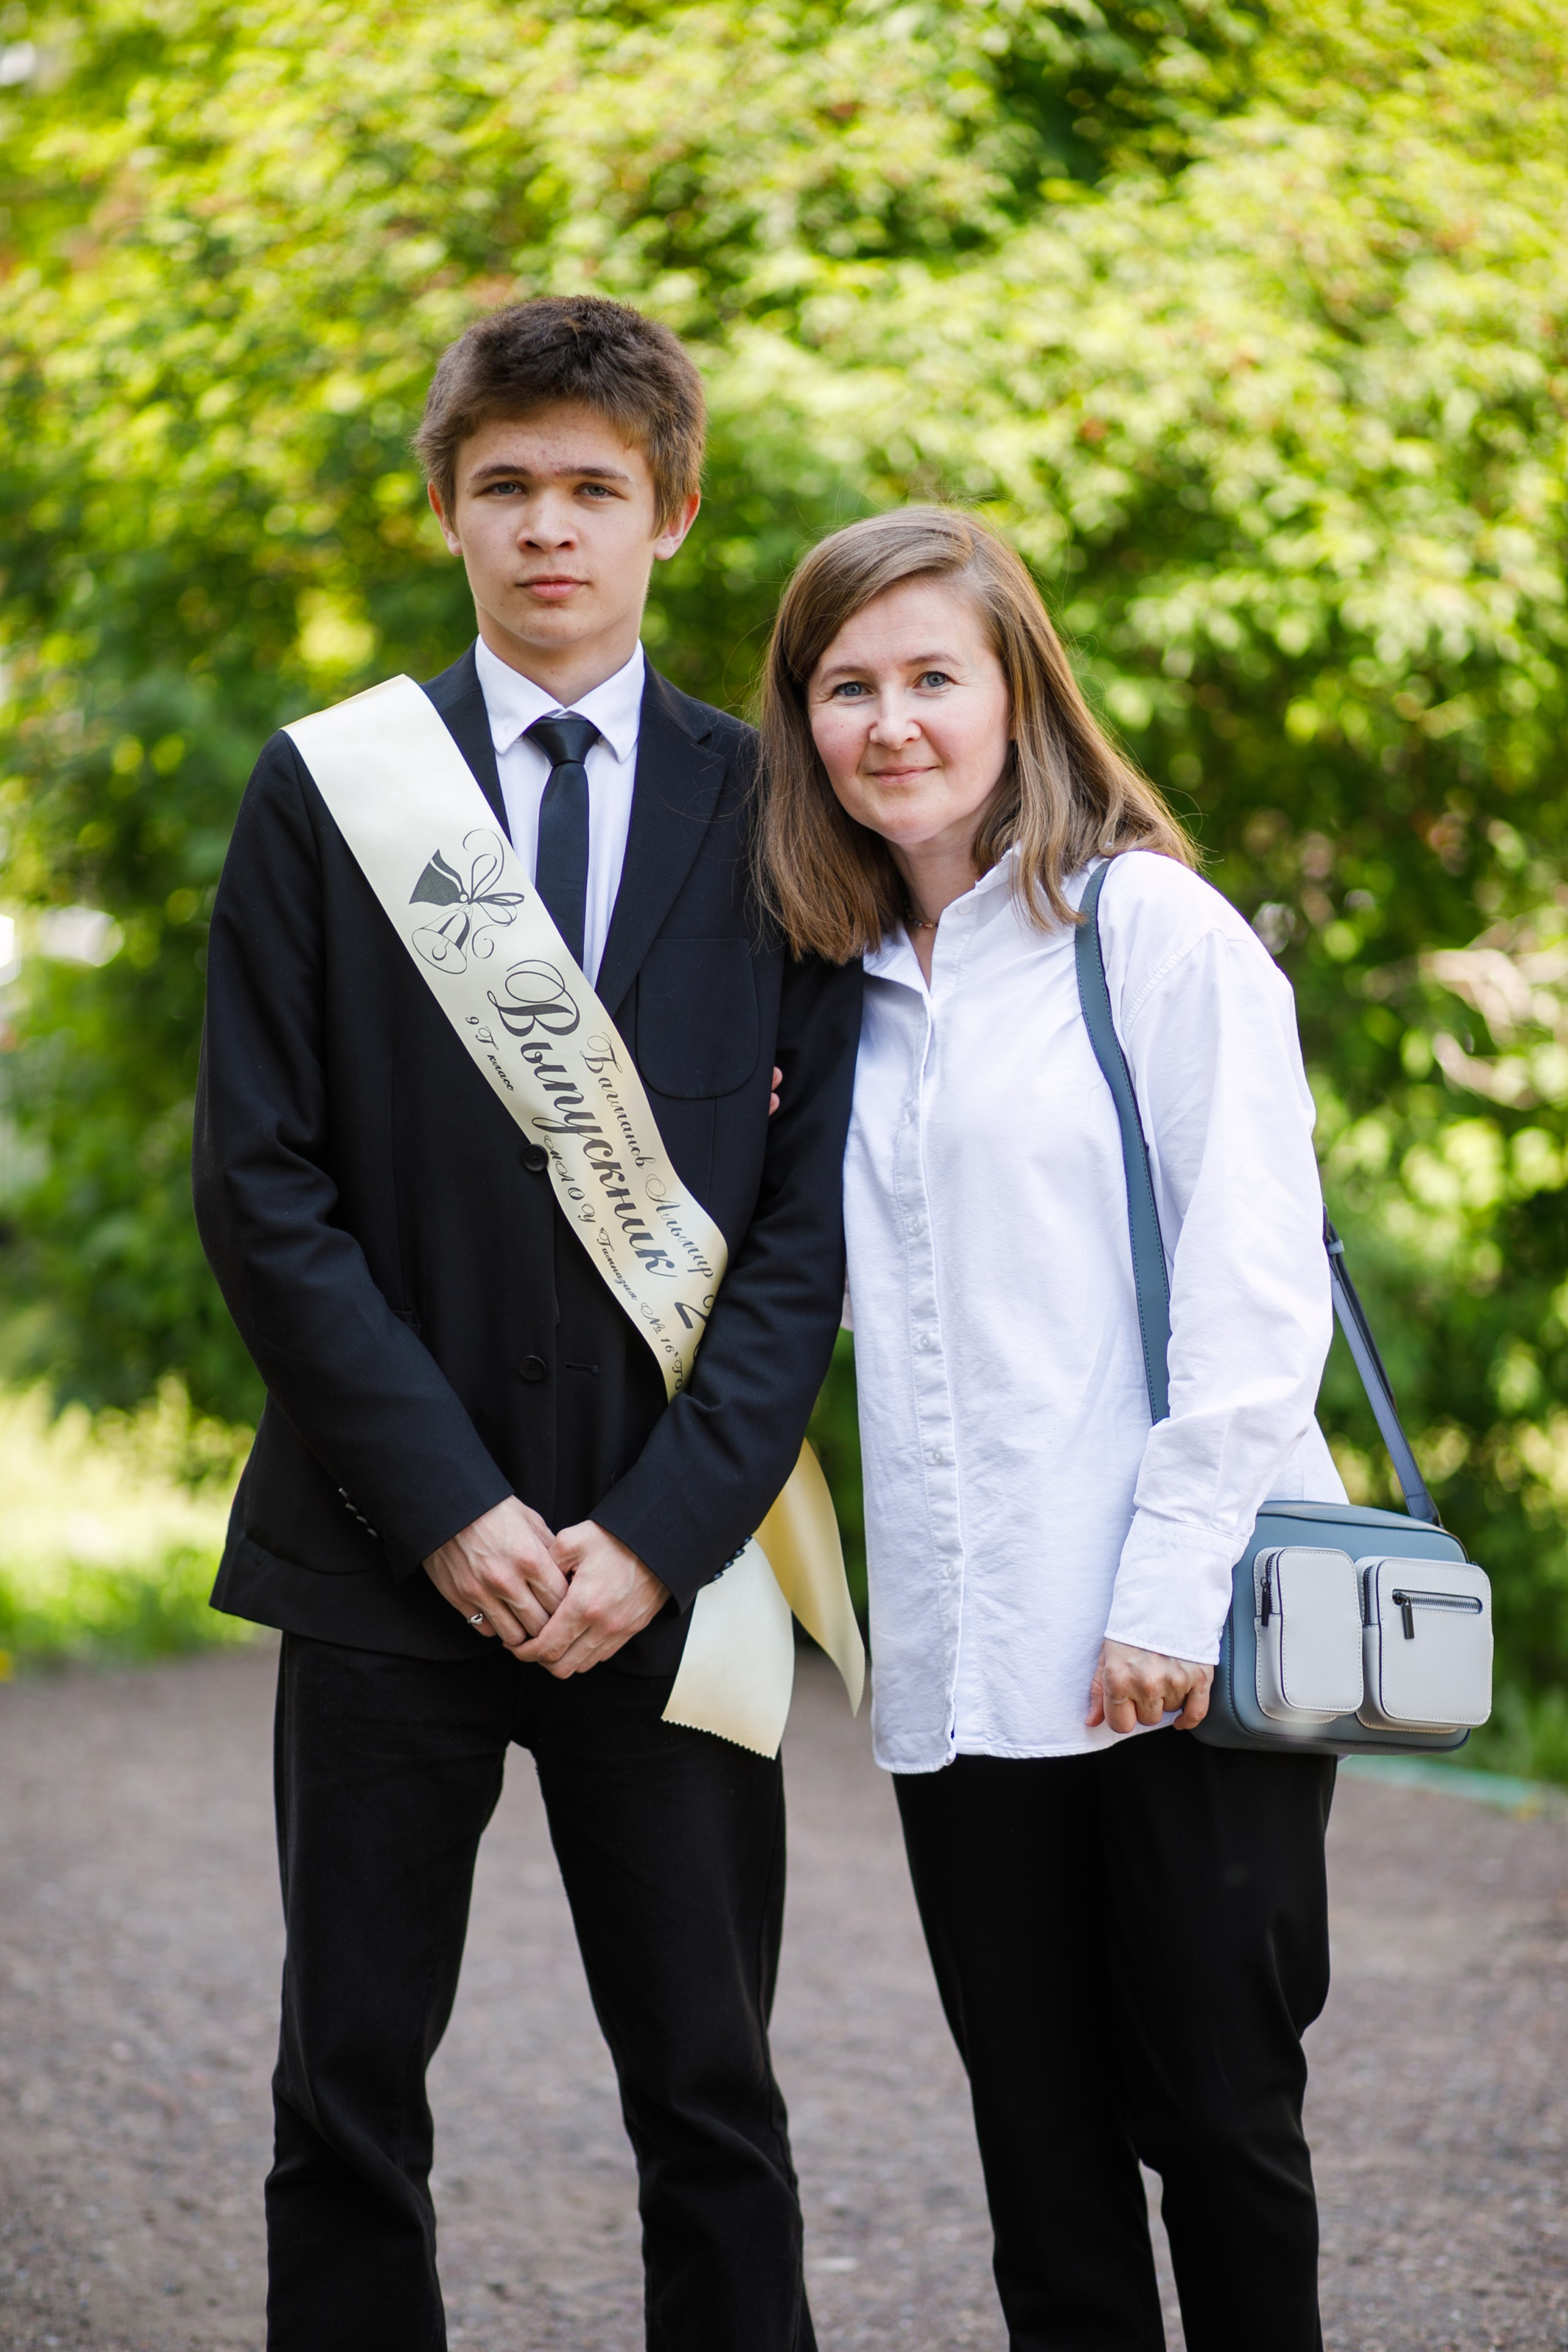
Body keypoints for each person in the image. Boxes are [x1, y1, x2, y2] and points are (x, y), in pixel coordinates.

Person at [193, 295, 861, 2352]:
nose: (548, 529)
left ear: (671, 512)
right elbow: (264, 1186)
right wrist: (450, 1504)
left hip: (667, 1573)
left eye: (592, 488)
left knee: (713, 2106)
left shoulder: (780, 808)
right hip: (391, 1559)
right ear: (447, 515)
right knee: (348, 2097)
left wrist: (657, 1530)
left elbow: (799, 1232)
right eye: (507, 489)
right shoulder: (330, 794)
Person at [755, 505, 1347, 2352]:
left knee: (1222, 2127)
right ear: (805, 728)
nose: (893, 722)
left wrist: (1166, 1595)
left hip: (1172, 1642)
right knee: (1041, 2163)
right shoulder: (827, 994)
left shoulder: (1146, 933)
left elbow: (1257, 1294)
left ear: (1020, 694)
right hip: (963, 1665)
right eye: (847, 687)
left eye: (934, 675)